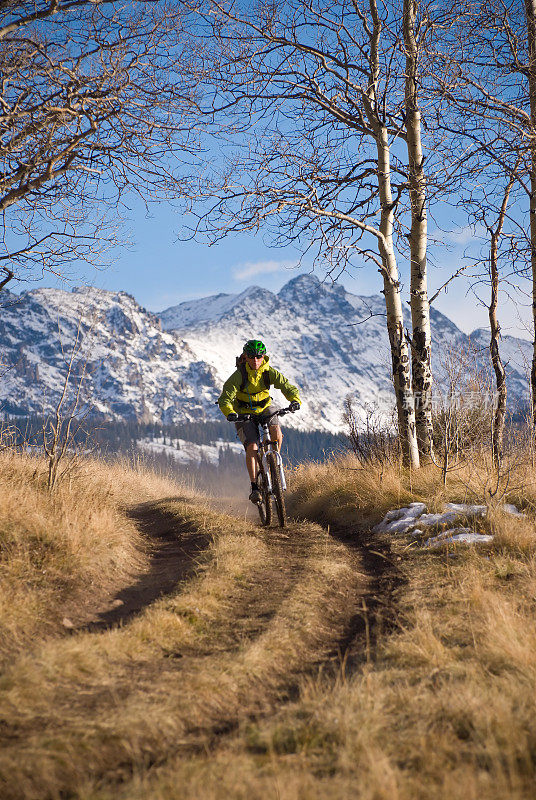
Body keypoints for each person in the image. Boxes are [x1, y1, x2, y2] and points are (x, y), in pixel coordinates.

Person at [218, 339, 301, 503]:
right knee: (252, 446)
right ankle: (255, 486)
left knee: (276, 432)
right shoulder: (238, 376)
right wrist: (230, 413)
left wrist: (294, 400)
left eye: (258, 356)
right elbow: (225, 399)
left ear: (263, 357)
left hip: (265, 407)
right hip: (243, 412)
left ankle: (274, 463)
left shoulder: (269, 372)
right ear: (246, 357)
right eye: (251, 357)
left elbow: (286, 386)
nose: (255, 360)